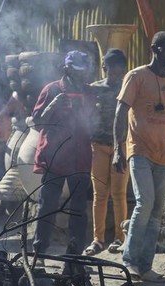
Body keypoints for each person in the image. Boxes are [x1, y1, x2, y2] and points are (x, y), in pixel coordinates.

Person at [113, 31, 165, 282]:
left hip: (163, 155)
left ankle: (145, 265)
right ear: (155, 49)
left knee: (157, 211)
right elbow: (120, 112)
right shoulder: (136, 76)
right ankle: (129, 261)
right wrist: (118, 148)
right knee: (144, 203)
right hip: (138, 150)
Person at [31, 50, 94, 257]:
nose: (81, 76)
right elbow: (36, 122)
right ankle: (39, 253)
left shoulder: (89, 92)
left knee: (78, 210)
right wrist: (52, 106)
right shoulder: (52, 90)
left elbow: (95, 124)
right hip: (55, 158)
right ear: (66, 68)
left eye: (84, 72)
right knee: (47, 207)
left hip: (80, 158)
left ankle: (75, 256)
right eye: (77, 71)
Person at [84, 48, 129, 256]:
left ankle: (121, 239)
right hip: (98, 146)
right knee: (99, 195)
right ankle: (98, 240)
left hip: (122, 146)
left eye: (120, 69)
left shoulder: (128, 88)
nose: (116, 73)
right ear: (105, 67)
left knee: (119, 194)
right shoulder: (93, 89)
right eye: (112, 68)